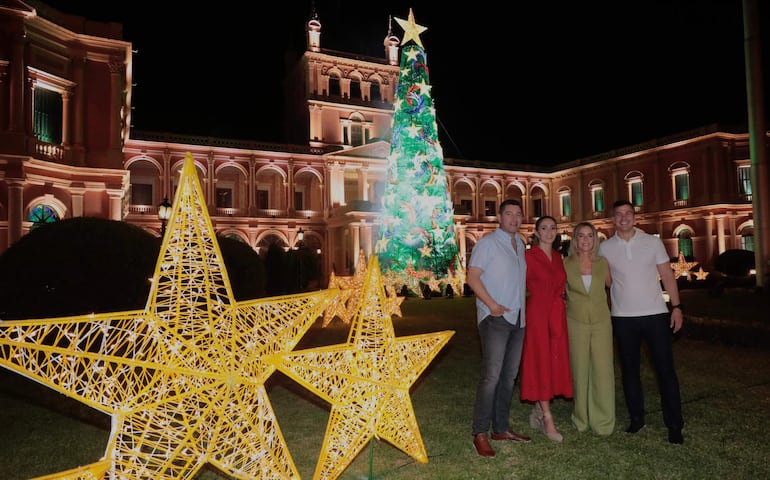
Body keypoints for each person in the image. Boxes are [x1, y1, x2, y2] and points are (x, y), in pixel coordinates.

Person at [599, 199, 685, 444]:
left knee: (665, 370)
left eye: (628, 213)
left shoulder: (652, 242)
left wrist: (676, 307)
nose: (624, 218)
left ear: (635, 217)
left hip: (655, 315)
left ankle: (675, 424)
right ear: (613, 219)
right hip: (622, 318)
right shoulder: (605, 248)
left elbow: (667, 275)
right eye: (619, 214)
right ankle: (637, 419)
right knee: (629, 372)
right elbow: (606, 281)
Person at [467, 199, 531, 457]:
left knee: (508, 377)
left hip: (518, 319)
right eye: (509, 214)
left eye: (518, 214)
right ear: (499, 218)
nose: (514, 218)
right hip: (495, 319)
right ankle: (480, 432)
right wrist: (492, 305)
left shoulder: (520, 245)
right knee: (491, 377)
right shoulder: (487, 243)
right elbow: (472, 277)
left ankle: (501, 428)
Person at [520, 215, 572, 442]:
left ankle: (538, 411)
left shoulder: (560, 257)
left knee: (554, 360)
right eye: (544, 228)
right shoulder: (528, 257)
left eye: (552, 228)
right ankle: (548, 418)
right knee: (541, 360)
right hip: (538, 314)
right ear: (537, 232)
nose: (549, 232)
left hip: (557, 313)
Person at [563, 221, 615, 436]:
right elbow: (558, 291)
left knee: (603, 370)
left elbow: (614, 287)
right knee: (579, 368)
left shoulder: (603, 263)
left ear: (595, 239)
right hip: (575, 321)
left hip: (602, 321)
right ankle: (581, 417)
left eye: (590, 236)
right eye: (581, 236)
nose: (585, 240)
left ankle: (603, 420)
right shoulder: (565, 264)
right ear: (575, 240)